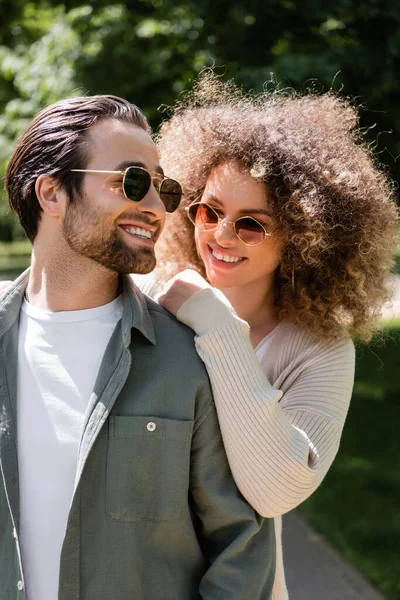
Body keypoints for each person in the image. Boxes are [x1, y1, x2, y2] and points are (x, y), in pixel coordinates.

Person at [0, 94, 276, 600]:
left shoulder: (191, 358)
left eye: (162, 189)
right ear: (52, 193)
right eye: (132, 181)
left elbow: (243, 544)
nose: (156, 208)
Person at [135, 74, 398, 600]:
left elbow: (276, 489)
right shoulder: (146, 299)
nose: (220, 236)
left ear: (305, 233)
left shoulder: (318, 350)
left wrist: (217, 325)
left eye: (251, 223)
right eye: (209, 211)